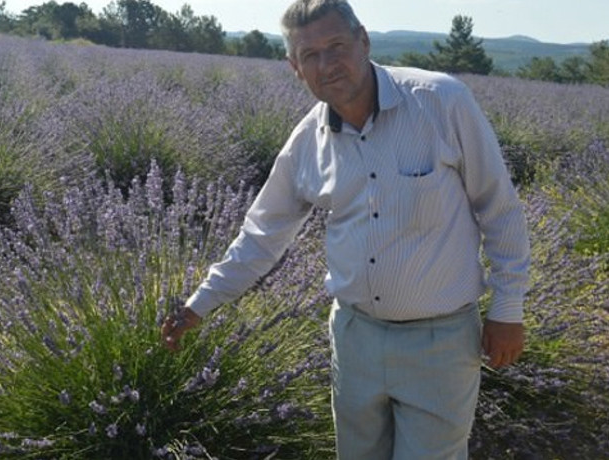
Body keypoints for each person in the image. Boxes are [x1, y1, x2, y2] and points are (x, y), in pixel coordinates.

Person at [160, 0, 530, 458]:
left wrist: (507, 309)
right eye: (310, 55)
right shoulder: (306, 144)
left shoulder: (441, 102)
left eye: (336, 46)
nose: (327, 64)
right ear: (295, 68)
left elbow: (500, 208)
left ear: (364, 41)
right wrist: (198, 306)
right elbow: (261, 235)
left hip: (440, 343)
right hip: (355, 339)